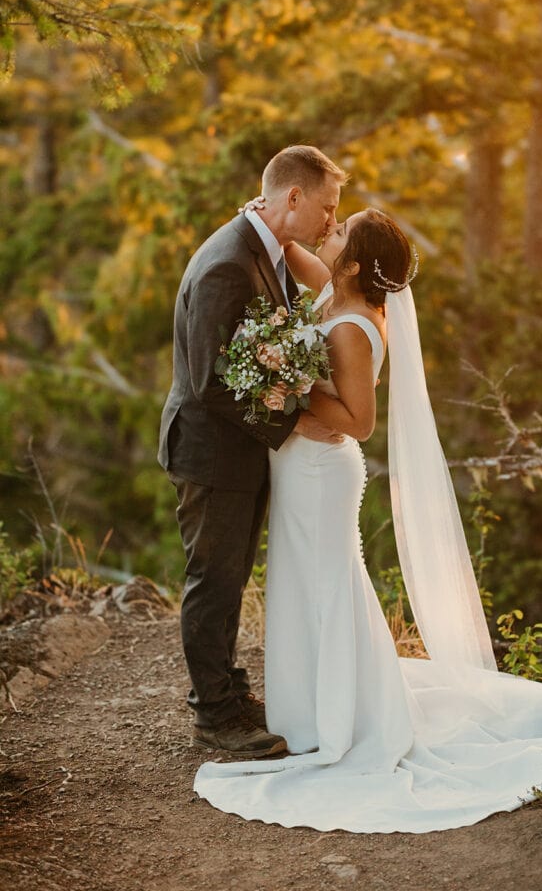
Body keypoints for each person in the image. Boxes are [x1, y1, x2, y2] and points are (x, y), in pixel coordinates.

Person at [193, 206, 542, 833]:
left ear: (353, 261)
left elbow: (360, 422)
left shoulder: (349, 324)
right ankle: (314, 713)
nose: (329, 232)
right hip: (303, 467)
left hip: (321, 473)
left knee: (328, 586)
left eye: (338, 233)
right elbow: (293, 250)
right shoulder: (334, 293)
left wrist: (284, 382)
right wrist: (268, 212)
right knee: (304, 586)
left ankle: (339, 723)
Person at [158, 145, 346, 757]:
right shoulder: (227, 264)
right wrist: (293, 425)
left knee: (231, 578)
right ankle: (214, 715)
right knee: (213, 581)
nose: (329, 222)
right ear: (294, 197)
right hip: (212, 455)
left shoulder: (265, 251)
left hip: (238, 452)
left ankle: (231, 691)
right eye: (327, 207)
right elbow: (211, 381)